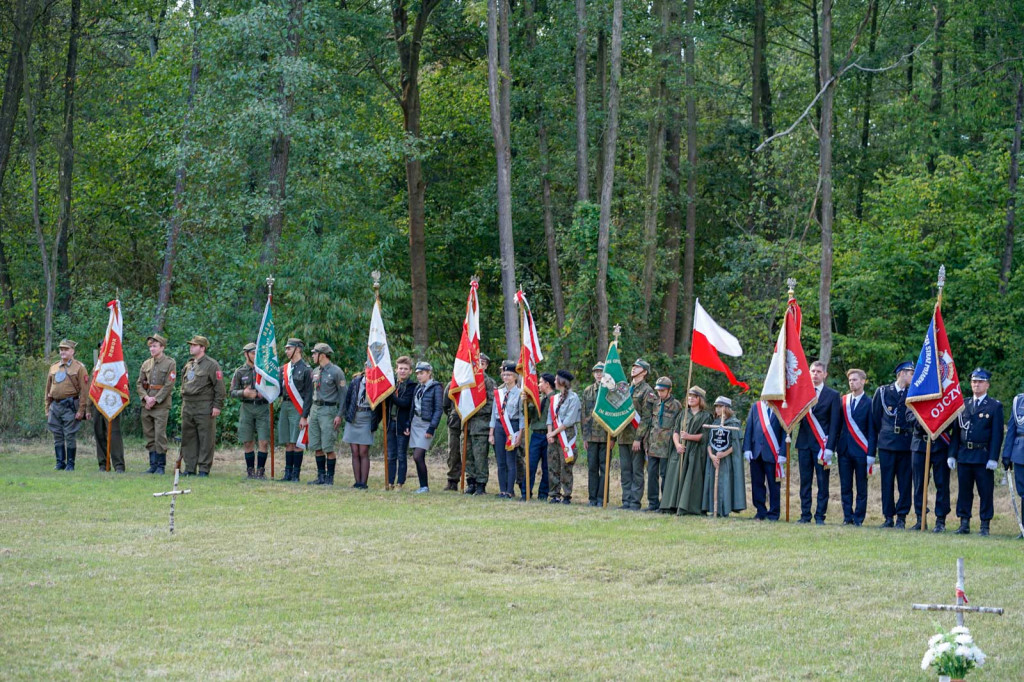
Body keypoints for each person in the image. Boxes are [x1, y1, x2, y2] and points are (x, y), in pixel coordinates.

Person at [950, 368, 1004, 536]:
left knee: (985, 492)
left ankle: (985, 526)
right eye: (974, 381)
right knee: (964, 491)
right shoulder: (963, 404)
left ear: (987, 385)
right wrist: (952, 454)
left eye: (980, 382)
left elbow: (997, 434)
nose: (976, 384)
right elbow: (956, 433)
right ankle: (964, 523)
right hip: (965, 454)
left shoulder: (994, 406)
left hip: (983, 456)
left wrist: (993, 457)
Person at [795, 360, 841, 524]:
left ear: (825, 374)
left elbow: (835, 424)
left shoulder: (833, 395)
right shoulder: (801, 393)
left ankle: (820, 516)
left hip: (823, 446)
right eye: (813, 371)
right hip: (804, 444)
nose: (815, 374)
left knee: (823, 482)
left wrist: (830, 447)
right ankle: (805, 515)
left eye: (818, 372)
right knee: (805, 482)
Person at [871, 361, 915, 528]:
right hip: (887, 443)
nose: (913, 376)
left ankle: (902, 517)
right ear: (901, 374)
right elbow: (875, 419)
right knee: (887, 481)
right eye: (911, 373)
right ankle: (888, 516)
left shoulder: (913, 392)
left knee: (905, 482)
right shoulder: (883, 392)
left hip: (906, 443)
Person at [179, 335, 226, 477]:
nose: (191, 347)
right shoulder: (189, 364)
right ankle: (189, 467)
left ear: (202, 348)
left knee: (206, 438)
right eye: (191, 345)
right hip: (188, 405)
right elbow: (183, 384)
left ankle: (204, 468)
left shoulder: (212, 365)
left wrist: (217, 406)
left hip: (204, 405)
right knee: (188, 437)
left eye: (194, 345)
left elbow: (220, 388)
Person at [662, 385, 712, 515]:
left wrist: (690, 437)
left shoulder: (706, 416)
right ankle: (672, 504)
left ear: (700, 399)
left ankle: (688, 506)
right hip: (681, 451)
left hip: (695, 452)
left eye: (694, 397)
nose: (691, 399)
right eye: (689, 396)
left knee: (692, 478)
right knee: (675, 476)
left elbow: (705, 435)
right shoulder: (683, 414)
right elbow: (676, 431)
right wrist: (678, 444)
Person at [45, 339, 90, 472]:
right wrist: (47, 407)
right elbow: (47, 390)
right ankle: (60, 462)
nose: (63, 352)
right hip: (55, 405)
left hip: (70, 406)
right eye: (61, 349)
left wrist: (81, 410)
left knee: (70, 435)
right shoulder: (53, 367)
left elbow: (84, 391)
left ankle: (70, 464)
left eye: (66, 349)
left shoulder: (79, 368)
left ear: (72, 351)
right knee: (57, 434)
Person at [836, 369, 874, 526]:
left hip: (861, 451)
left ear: (863, 381)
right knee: (845, 486)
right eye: (850, 380)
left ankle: (858, 518)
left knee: (861, 487)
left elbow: (872, 430)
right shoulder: (843, 401)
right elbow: (838, 426)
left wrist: (871, 453)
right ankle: (847, 517)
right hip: (844, 450)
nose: (852, 382)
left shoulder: (870, 402)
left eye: (855, 380)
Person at [617, 359, 655, 510]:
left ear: (644, 372)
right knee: (625, 471)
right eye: (633, 366)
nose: (633, 369)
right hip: (623, 436)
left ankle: (634, 502)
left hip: (636, 438)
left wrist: (638, 438)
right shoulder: (624, 388)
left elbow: (646, 418)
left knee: (637, 472)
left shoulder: (648, 391)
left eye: (638, 367)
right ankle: (626, 500)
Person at [308, 343, 348, 486]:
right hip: (315, 409)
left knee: (328, 446)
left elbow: (344, 395)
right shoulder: (315, 371)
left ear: (322, 355)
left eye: (314, 353)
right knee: (316, 445)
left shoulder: (336, 372)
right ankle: (321, 476)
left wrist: (339, 415)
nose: (312, 356)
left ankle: (330, 478)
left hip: (328, 411)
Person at [137, 333, 176, 475]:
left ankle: (161, 466)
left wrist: (155, 399)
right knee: (149, 435)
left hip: (161, 405)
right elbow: (139, 383)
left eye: (154, 346)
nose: (152, 349)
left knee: (160, 435)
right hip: (146, 404)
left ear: (162, 347)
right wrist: (146, 398)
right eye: (150, 347)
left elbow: (168, 385)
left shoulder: (170, 363)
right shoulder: (146, 363)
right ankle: (152, 465)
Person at [230, 342, 270, 479]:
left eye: (257, 353)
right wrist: (244, 393)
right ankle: (250, 471)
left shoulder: (264, 371)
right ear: (246, 355)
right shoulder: (240, 372)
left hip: (262, 407)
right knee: (247, 441)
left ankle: (261, 471)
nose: (255, 356)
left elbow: (275, 388)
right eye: (253, 353)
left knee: (264, 441)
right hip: (247, 407)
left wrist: (265, 393)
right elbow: (232, 392)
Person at [701, 396, 746, 517]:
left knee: (724, 483)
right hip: (714, 459)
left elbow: (736, 444)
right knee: (712, 482)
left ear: (726, 408)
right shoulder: (715, 423)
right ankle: (713, 509)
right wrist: (711, 455)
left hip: (726, 460)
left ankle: (724, 510)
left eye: (720, 406)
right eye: (716, 406)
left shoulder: (734, 423)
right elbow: (709, 442)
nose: (717, 409)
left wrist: (723, 454)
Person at [644, 376, 683, 512]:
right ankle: (652, 503)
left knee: (666, 475)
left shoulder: (676, 405)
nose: (660, 393)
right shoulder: (655, 403)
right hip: (653, 444)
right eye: (658, 390)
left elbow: (678, 426)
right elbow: (650, 423)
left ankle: (665, 503)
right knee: (651, 474)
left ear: (669, 390)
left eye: (663, 390)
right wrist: (646, 442)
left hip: (667, 446)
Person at [743, 400, 786, 521]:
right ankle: (760, 511)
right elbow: (749, 427)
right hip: (756, 452)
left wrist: (783, 453)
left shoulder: (781, 406)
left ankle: (774, 513)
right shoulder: (756, 406)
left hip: (773, 453)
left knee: (774, 484)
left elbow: (786, 431)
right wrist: (747, 448)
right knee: (757, 483)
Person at [910, 417, 954, 532]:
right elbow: (909, 415)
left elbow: (951, 418)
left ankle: (940, 520)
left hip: (940, 444)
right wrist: (926, 421)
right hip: (919, 443)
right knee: (919, 484)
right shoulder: (915, 397)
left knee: (942, 483)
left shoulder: (945, 398)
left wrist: (937, 423)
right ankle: (921, 518)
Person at [278, 338, 313, 482]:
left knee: (297, 441)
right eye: (286, 348)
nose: (286, 351)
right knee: (288, 441)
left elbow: (309, 395)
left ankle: (295, 475)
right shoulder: (283, 369)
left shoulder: (306, 369)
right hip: (285, 405)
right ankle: (287, 473)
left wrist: (304, 416)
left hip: (297, 406)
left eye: (289, 348)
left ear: (298, 349)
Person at [547, 369, 581, 504]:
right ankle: (554, 494)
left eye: (556, 379)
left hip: (566, 435)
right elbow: (550, 417)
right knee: (553, 464)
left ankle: (567, 494)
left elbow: (569, 420)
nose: (554, 382)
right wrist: (550, 433)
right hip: (554, 435)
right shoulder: (554, 398)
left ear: (562, 381)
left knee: (566, 465)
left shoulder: (574, 398)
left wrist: (553, 433)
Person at [490, 361, 523, 499]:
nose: (506, 377)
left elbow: (522, 416)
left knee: (510, 460)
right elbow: (493, 414)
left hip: (513, 427)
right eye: (504, 374)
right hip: (498, 426)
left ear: (515, 376)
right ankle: (502, 490)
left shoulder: (521, 394)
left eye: (509, 375)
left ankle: (510, 490)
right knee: (500, 460)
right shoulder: (498, 393)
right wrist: (491, 433)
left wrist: (520, 435)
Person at [90, 340, 125, 472]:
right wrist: (88, 407)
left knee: (114, 435)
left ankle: (119, 465)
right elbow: (91, 388)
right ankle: (103, 464)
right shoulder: (97, 366)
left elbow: (122, 384)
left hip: (112, 404)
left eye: (104, 348)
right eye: (100, 349)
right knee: (99, 433)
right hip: (98, 404)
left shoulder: (118, 365)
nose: (101, 351)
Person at [343, 362, 378, 489]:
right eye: (367, 368)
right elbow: (348, 399)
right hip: (354, 416)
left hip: (367, 417)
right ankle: (357, 481)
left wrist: (375, 421)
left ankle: (364, 482)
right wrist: (348, 414)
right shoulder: (356, 381)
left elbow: (379, 406)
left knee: (363, 451)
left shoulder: (376, 384)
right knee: (354, 451)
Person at [408, 361, 442, 493]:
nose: (419, 376)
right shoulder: (418, 387)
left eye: (421, 373)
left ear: (429, 373)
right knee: (417, 456)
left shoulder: (436, 387)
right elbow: (413, 407)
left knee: (418, 455)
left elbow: (438, 410)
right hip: (415, 423)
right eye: (417, 373)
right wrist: (408, 424)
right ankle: (423, 486)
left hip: (426, 424)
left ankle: (424, 486)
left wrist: (431, 428)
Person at [465, 353, 496, 495]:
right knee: (467, 455)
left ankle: (481, 484)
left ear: (486, 366)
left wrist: (475, 410)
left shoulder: (488, 382)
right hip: (467, 424)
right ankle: (470, 482)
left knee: (479, 457)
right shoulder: (467, 380)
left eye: (482, 364)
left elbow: (492, 404)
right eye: (477, 363)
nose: (479, 366)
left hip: (481, 424)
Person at [581, 362, 609, 507]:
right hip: (591, 436)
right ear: (593, 374)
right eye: (596, 372)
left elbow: (613, 416)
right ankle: (592, 498)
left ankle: (602, 498)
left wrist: (613, 438)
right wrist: (585, 437)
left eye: (601, 372)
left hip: (606, 436)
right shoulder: (588, 391)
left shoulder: (610, 391)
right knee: (592, 467)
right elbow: (584, 415)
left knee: (604, 468)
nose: (599, 374)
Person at [387, 356, 416, 490]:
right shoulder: (391, 384)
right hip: (390, 423)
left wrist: (390, 394)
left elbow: (404, 403)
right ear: (396, 369)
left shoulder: (411, 386)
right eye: (400, 368)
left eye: (405, 369)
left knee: (401, 455)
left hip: (403, 424)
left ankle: (400, 483)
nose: (402, 371)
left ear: (410, 371)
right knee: (390, 455)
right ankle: (390, 481)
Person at [526, 373, 555, 500]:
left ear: (547, 384)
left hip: (549, 435)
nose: (538, 385)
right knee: (531, 464)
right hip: (536, 435)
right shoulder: (537, 398)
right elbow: (529, 415)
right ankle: (526, 492)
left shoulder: (556, 398)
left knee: (547, 467)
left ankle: (543, 494)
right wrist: (527, 402)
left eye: (540, 382)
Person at [1002, 387, 1024, 539]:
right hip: (1020, 452)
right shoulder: (1018, 401)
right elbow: (1011, 429)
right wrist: (1006, 455)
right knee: (1023, 493)